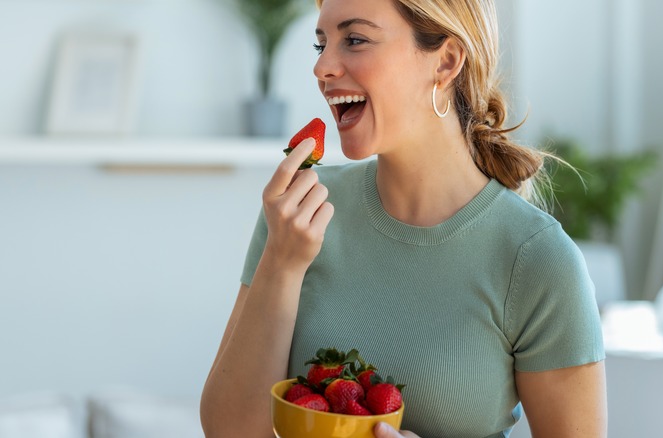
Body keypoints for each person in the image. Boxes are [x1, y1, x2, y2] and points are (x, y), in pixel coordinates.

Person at [200, 0, 607, 437]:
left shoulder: (538, 259)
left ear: (446, 61)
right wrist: (282, 261)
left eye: (354, 40)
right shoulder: (299, 215)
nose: (322, 68)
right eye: (321, 45)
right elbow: (229, 430)